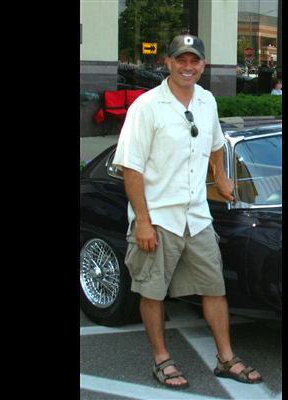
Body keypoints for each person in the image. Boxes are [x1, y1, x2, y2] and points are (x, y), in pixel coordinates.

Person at [112, 34, 262, 389]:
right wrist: (143, 221)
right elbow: (131, 168)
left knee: (214, 287)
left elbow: (215, 144)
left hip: (196, 216)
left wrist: (220, 175)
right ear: (168, 63)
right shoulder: (147, 106)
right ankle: (162, 360)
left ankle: (226, 358)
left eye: (195, 61)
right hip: (158, 217)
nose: (188, 67)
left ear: (203, 66)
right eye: (181, 60)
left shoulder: (207, 101)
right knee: (152, 292)